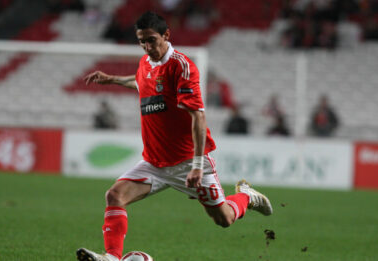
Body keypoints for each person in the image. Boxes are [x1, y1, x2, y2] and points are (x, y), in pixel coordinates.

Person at [77, 11, 273, 261]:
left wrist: (198, 165)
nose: (147, 47)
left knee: (224, 219)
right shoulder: (145, 64)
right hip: (153, 162)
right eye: (142, 42)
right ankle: (112, 257)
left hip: (187, 163)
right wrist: (112, 79)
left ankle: (247, 196)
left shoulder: (182, 66)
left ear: (166, 35)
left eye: (151, 40)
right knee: (114, 195)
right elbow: (139, 82)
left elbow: (198, 118)